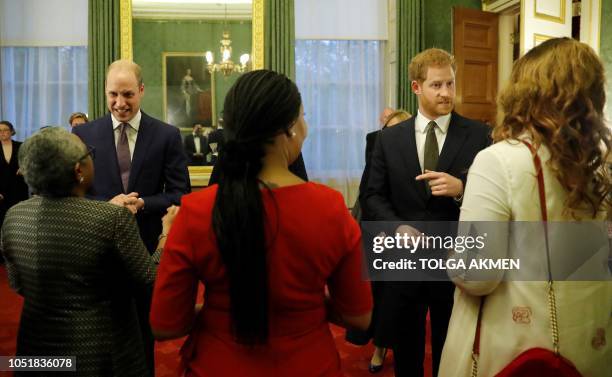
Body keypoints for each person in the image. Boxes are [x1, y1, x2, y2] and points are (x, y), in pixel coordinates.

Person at [150, 70, 373, 377]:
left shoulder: (195, 211)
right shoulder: (331, 208)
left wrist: (216, 312)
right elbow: (359, 317)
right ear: (289, 128)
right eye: (303, 117)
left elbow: (165, 325)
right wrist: (304, 306)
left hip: (218, 364)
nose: (306, 127)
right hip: (307, 365)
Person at [439, 37, 611, 377]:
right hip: (590, 338)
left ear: (524, 92)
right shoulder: (600, 164)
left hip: (521, 348)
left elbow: (477, 275)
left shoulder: (498, 161)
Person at [0, 127, 178, 376]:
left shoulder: (14, 216)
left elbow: (18, 284)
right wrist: (166, 234)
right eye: (88, 154)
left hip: (33, 351)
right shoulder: (111, 219)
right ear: (78, 170)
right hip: (99, 353)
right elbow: (151, 279)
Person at [363, 48, 490, 377]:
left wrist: (462, 189)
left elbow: (493, 198)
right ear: (416, 87)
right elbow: (372, 196)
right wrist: (396, 228)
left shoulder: (479, 135)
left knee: (453, 350)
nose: (446, 93)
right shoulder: (387, 140)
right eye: (436, 85)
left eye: (450, 83)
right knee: (407, 351)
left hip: (455, 260)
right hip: (405, 261)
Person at [72, 59, 190, 375]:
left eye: (127, 94)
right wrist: (107, 205)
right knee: (95, 338)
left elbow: (180, 194)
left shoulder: (167, 135)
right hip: (97, 251)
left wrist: (142, 204)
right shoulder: (83, 133)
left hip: (145, 250)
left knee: (141, 336)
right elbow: (74, 193)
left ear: (141, 91)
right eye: (113, 95)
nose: (120, 104)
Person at [345, 108, 411, 373]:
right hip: (382, 233)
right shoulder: (378, 152)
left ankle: (398, 343)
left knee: (404, 299)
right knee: (383, 294)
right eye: (389, 129)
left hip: (412, 237)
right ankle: (380, 347)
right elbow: (367, 194)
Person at [0, 121, 29, 230]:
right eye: (0, 130)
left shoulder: (21, 146)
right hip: (1, 191)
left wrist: (24, 167)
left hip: (18, 187)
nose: (2, 132)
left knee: (20, 219)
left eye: (5, 130)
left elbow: (29, 161)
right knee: (3, 222)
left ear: (11, 131)